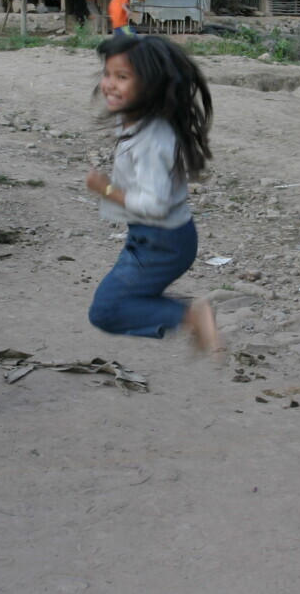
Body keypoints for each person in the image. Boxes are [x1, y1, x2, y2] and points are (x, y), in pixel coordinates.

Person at [85, 33, 221, 359]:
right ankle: (187, 318)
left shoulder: (153, 138)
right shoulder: (137, 119)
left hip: (162, 242)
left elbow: (155, 204)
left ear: (150, 84)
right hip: (155, 238)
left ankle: (191, 316)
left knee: (106, 310)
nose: (109, 84)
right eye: (107, 74)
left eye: (122, 77)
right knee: (116, 305)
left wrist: (106, 189)